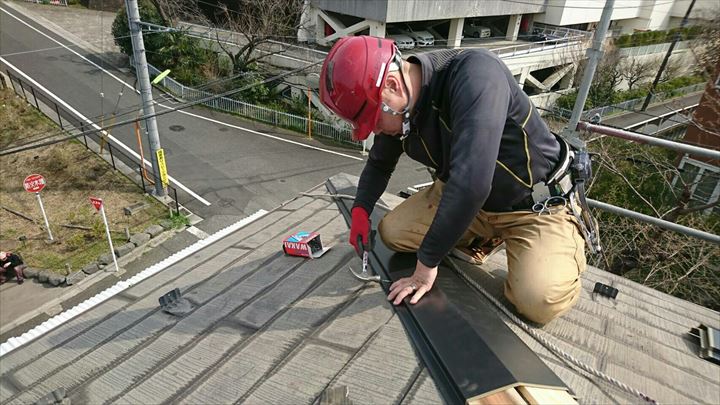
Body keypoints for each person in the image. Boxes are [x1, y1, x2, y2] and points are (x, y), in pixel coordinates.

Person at [319, 36, 596, 324]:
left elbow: (472, 183)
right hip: (471, 200)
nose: (375, 130)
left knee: (538, 301)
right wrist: (361, 209)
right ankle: (480, 238)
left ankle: (561, 249)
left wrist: (425, 268)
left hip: (533, 207)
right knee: (392, 233)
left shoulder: (476, 76)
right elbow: (379, 163)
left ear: (391, 85)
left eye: (374, 120)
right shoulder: (402, 108)